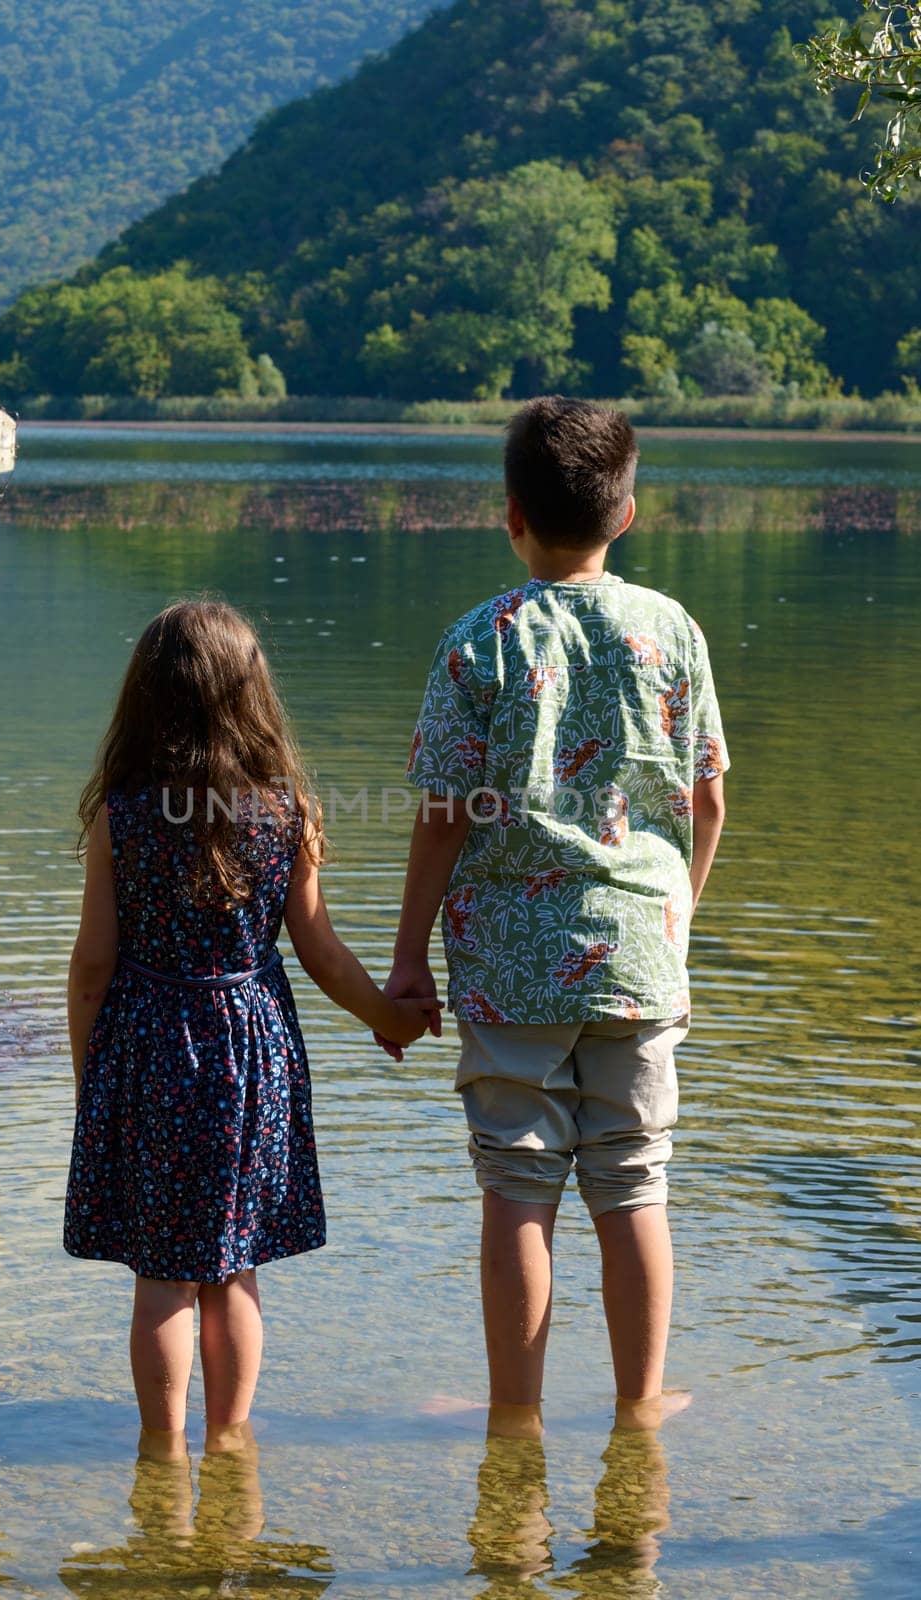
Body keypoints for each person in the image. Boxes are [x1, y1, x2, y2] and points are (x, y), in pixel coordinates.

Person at [385, 397, 728, 1433]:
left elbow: (443, 821)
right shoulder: (671, 630)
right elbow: (709, 796)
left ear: (511, 517)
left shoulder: (477, 643)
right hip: (640, 956)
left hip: (510, 966)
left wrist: (407, 962)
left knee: (518, 1190)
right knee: (634, 1184)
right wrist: (676, 914)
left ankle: (515, 1415)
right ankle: (638, 1408)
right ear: (627, 514)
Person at [64, 599, 438, 1452]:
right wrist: (391, 1016)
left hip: (149, 1046)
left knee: (162, 1275)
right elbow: (323, 954)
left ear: (144, 699)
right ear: (253, 699)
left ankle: (160, 1454)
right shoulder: (286, 813)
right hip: (251, 1053)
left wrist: (91, 1080)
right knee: (234, 1266)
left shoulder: (119, 817)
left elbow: (92, 965)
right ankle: (230, 1444)